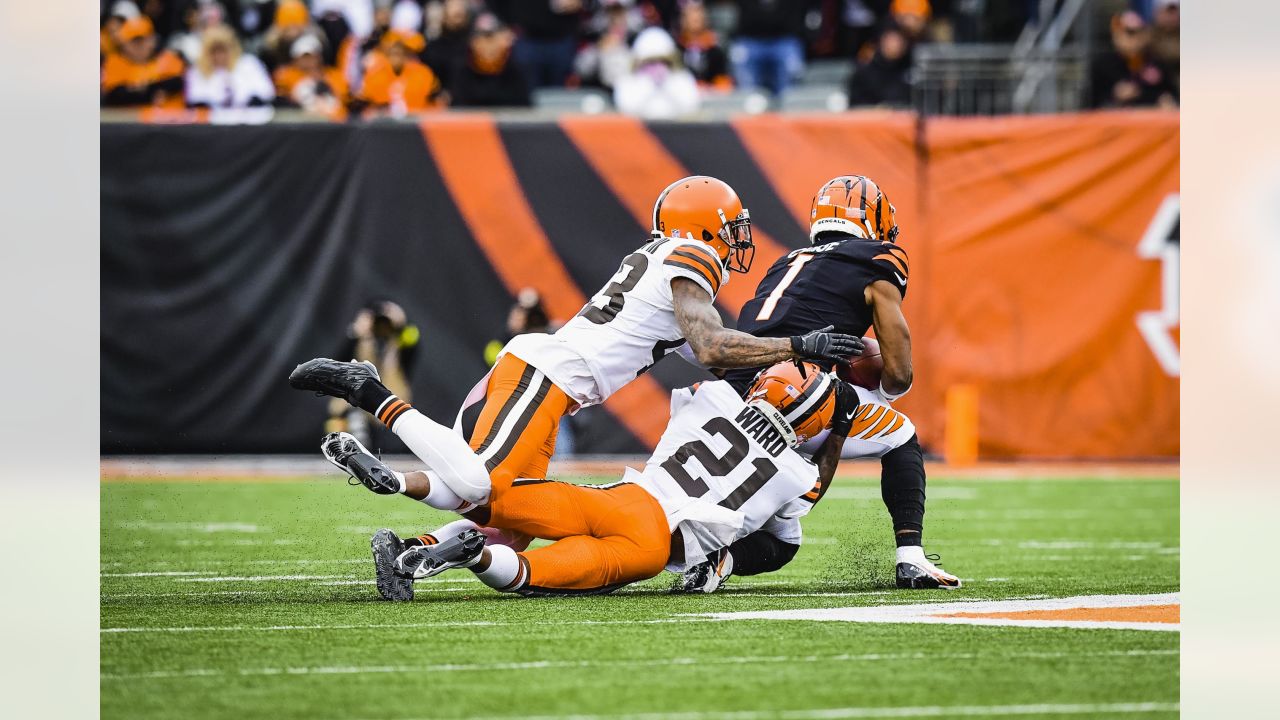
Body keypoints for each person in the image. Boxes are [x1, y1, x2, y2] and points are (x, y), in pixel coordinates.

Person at [289, 176, 862, 525]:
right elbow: (713, 348)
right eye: (732, 226)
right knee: (477, 486)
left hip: (549, 378)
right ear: (704, 227)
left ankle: (404, 514)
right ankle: (370, 389)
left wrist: (786, 381)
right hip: (548, 374)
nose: (739, 240)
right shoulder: (693, 257)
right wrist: (801, 343)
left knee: (501, 513)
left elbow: (717, 359)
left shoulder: (664, 266)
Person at [327, 361, 856, 599]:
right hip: (653, 547)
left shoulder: (713, 399)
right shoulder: (798, 472)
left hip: (628, 499)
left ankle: (398, 483)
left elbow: (726, 379)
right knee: (530, 573)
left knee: (490, 498)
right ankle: (475, 557)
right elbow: (796, 521)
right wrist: (837, 434)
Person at [718, 175, 961, 590]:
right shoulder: (877, 258)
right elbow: (898, 365)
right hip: (794, 390)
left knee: (783, 540)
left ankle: (717, 560)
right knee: (901, 434)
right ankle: (912, 558)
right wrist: (885, 389)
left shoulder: (788, 261)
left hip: (733, 397)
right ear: (875, 218)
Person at [323, 301, 420, 448]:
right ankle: (356, 449)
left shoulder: (400, 341)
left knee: (397, 421)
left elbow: (412, 344)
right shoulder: (360, 341)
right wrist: (357, 333)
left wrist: (401, 324)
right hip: (359, 400)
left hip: (389, 399)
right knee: (351, 415)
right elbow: (336, 363)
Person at [1089, 10, 1177, 109]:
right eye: (1129, 32)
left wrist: (1168, 100)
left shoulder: (1157, 62)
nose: (1136, 38)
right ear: (1115, 35)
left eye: (1140, 31)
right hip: (1117, 122)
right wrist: (1114, 97)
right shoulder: (1102, 65)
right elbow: (1090, 103)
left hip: (1151, 121)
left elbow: (1172, 95)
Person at [447, 13, 532, 108]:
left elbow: (525, 111)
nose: (488, 46)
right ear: (472, 43)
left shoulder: (517, 70)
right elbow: (457, 109)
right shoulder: (462, 71)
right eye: (481, 38)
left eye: (492, 38)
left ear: (503, 41)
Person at [613, 28, 701, 119]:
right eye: (650, 62)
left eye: (662, 61)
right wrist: (648, 84)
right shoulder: (628, 80)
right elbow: (626, 107)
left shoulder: (681, 78)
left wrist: (666, 84)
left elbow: (690, 105)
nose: (656, 66)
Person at [101, 15, 186, 108]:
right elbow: (114, 96)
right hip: (128, 121)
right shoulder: (115, 63)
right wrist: (150, 91)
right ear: (124, 44)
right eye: (134, 41)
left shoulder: (169, 59)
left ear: (152, 40)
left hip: (170, 120)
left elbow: (177, 83)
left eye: (142, 40)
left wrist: (140, 90)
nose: (139, 46)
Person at [352, 30, 443, 115]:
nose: (397, 58)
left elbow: (437, 103)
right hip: (383, 127)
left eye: (401, 53)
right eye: (393, 53)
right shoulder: (374, 75)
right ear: (386, 54)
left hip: (416, 125)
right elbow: (363, 108)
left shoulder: (423, 74)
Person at [185, 24, 276, 108]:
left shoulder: (249, 64)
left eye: (223, 50)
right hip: (211, 122)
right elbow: (195, 98)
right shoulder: (197, 71)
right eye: (214, 52)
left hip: (248, 119)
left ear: (232, 48)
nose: (219, 56)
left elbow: (266, 92)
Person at [730, 0, 810, 96]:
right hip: (750, 40)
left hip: (784, 40)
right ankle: (749, 106)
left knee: (791, 68)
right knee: (740, 57)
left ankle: (790, 105)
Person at [507, 0, 584, 88]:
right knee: (528, 92)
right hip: (527, 38)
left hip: (561, 38)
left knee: (559, 92)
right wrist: (507, 23)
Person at [274, 35, 349, 119]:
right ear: (295, 59)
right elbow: (281, 100)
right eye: (304, 57)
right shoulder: (287, 75)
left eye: (311, 56)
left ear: (319, 56)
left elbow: (345, 100)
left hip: (337, 123)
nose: (308, 60)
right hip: (303, 123)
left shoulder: (336, 75)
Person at [846, 24, 912, 108]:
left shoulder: (912, 69)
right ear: (881, 42)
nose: (895, 45)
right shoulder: (864, 73)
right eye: (891, 40)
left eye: (899, 41)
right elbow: (855, 105)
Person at [676, 0, 731, 90]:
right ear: (684, 20)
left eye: (698, 17)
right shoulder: (678, 49)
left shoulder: (715, 51)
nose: (696, 19)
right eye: (692, 17)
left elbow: (722, 81)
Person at [422, 0, 474, 81]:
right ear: (444, 17)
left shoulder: (474, 48)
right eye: (453, 16)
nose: (456, 21)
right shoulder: (432, 50)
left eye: (459, 16)